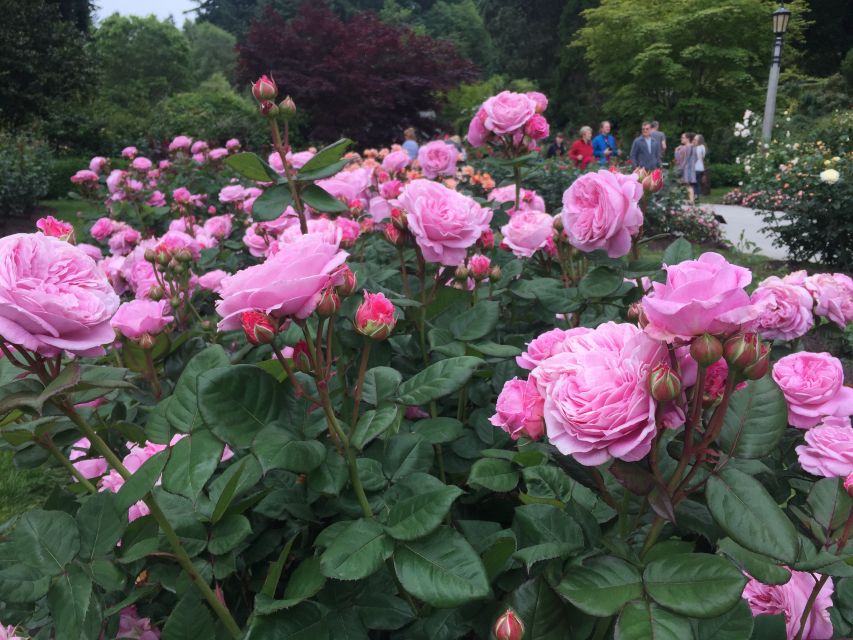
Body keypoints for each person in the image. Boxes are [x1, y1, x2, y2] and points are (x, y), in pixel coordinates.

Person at [675, 132, 696, 204]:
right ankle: (690, 200)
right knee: (687, 185)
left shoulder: (687, 147)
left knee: (686, 185)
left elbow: (679, 159)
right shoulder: (691, 147)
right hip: (689, 169)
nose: (681, 139)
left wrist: (676, 151)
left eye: (683, 137)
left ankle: (691, 200)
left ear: (688, 139)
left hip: (686, 169)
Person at [693, 134, 707, 200]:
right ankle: (696, 195)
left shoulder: (698, 148)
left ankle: (695, 195)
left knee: (695, 182)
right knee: (697, 182)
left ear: (699, 140)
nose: (694, 140)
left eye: (695, 139)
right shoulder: (702, 147)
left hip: (697, 167)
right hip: (700, 167)